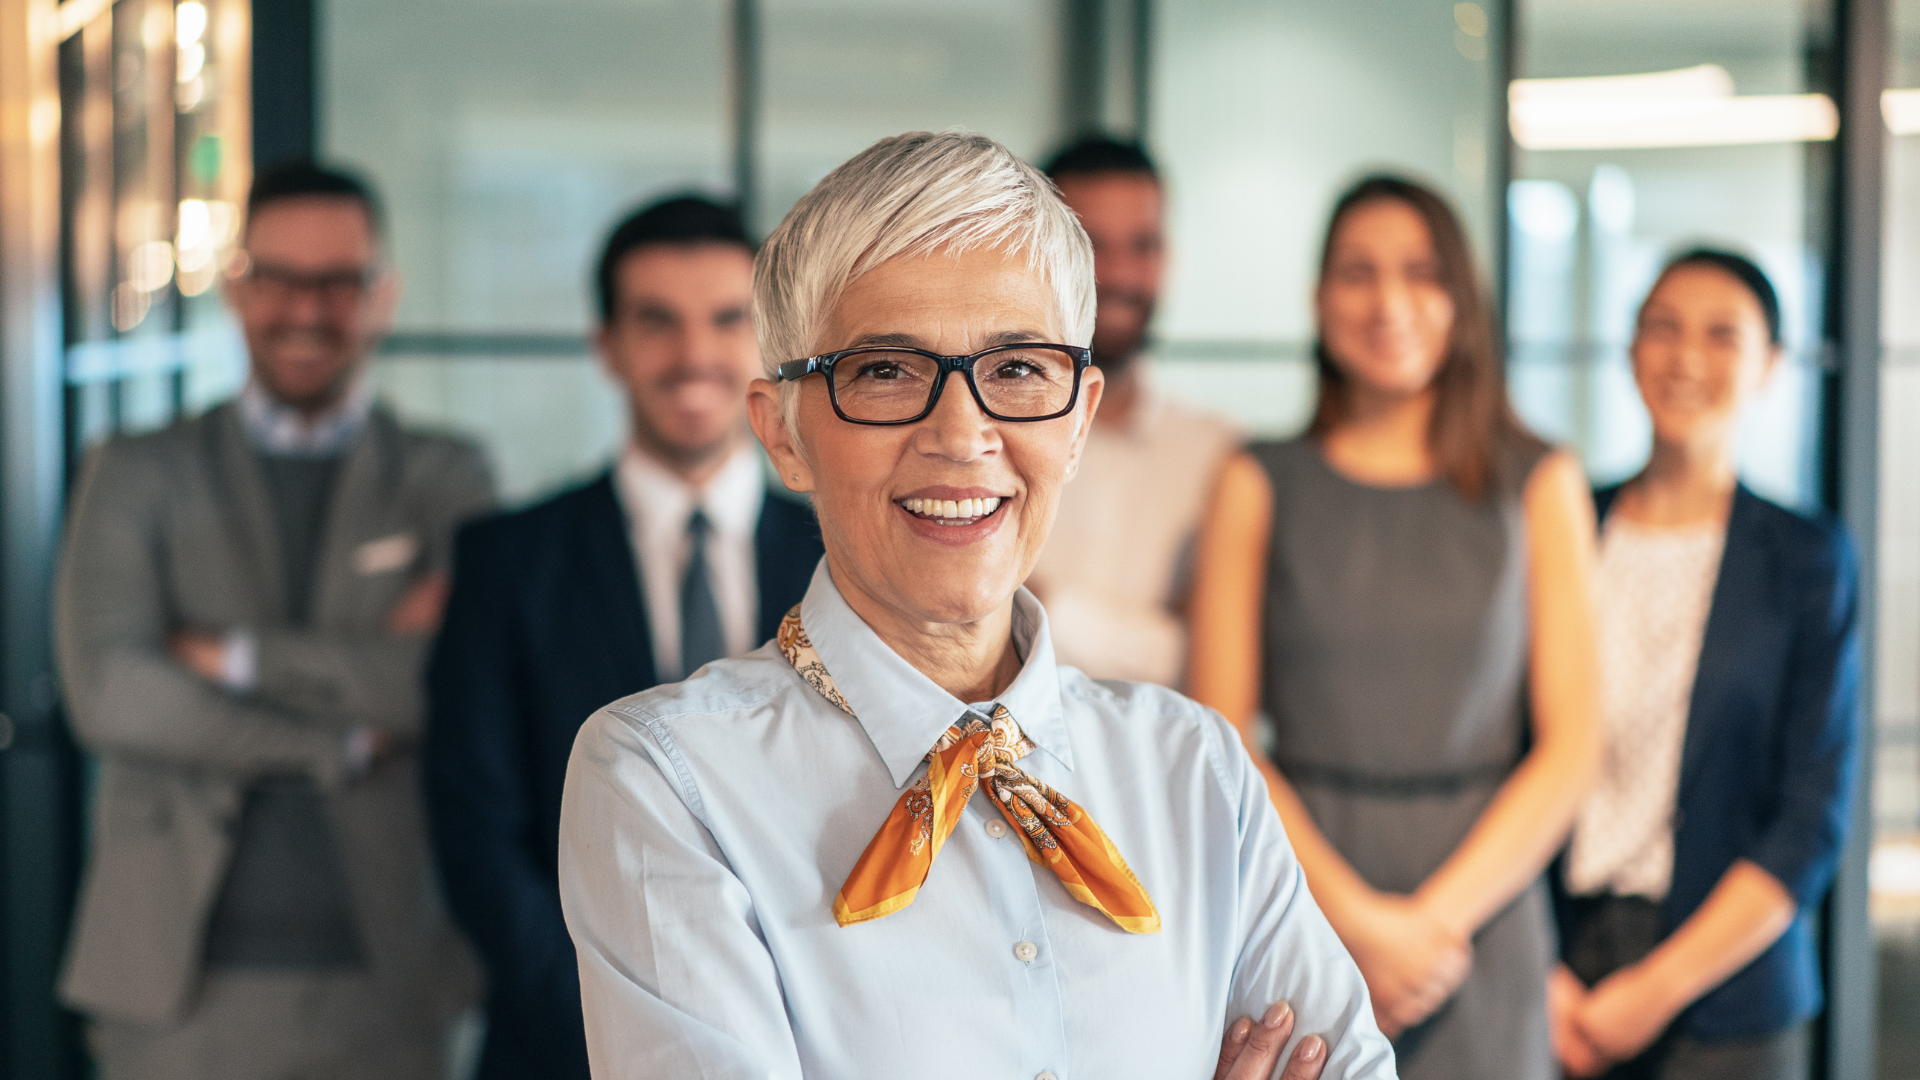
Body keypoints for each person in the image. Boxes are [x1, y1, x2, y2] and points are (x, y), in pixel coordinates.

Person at [554, 131, 1395, 1080]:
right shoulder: (669, 780)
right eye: (884, 371)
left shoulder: (1196, 771)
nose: (962, 435)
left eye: (1018, 370)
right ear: (783, 435)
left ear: (1077, 421)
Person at [55, 160, 493, 1079]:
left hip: (391, 980)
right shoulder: (135, 471)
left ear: (383, 296)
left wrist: (236, 657)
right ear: (238, 288)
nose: (308, 309)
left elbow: (445, 684)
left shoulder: (445, 477)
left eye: (339, 282)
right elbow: (114, 695)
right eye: (281, 279)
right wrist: (332, 743)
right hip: (173, 985)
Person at [1186, 174, 1601, 1080]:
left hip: (1483, 914)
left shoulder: (1540, 483)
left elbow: (1573, 745)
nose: (1389, 304)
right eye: (1357, 274)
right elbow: (1221, 739)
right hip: (1299, 894)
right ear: (1318, 299)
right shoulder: (1255, 481)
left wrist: (1432, 925)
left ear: (1462, 299)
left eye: (1420, 273)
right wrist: (1360, 925)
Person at [425, 195, 824, 1078]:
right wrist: (617, 1019)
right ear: (607, 345)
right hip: (559, 1042)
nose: (693, 355)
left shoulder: (841, 556)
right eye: (657, 322)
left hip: (803, 1043)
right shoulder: (507, 562)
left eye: (726, 321)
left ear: (767, 347)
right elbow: (474, 829)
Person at [1548, 250, 1860, 1080]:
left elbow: (1810, 820)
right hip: (1555, 976)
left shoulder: (1806, 559)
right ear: (1630, 350)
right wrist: (1539, 966)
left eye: (1723, 335)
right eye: (1663, 328)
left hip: (1727, 996)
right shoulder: (1567, 523)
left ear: (1769, 366)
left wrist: (1654, 988)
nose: (1687, 358)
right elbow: (1508, 749)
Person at [1023, 135, 1241, 687]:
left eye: (1143, 245)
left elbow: (1213, 662)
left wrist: (1038, 607)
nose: (1119, 274)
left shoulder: (1221, 453)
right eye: (1092, 244)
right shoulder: (986, 436)